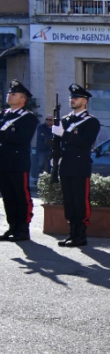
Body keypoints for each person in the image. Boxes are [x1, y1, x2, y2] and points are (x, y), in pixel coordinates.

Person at [51, 83, 101, 247]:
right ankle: (72, 232)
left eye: (76, 98)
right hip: (65, 165)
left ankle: (80, 234)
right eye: (71, 97)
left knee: (80, 201)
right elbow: (59, 143)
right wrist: (55, 155)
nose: (72, 100)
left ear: (85, 101)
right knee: (69, 201)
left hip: (80, 166)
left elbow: (86, 142)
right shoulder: (65, 119)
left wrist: (64, 134)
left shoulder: (91, 121)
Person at [0, 80, 37, 242]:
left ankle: (23, 228)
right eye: (9, 93)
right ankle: (12, 226)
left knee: (21, 195)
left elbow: (22, 139)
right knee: (7, 196)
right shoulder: (4, 114)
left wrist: (3, 134)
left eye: (13, 94)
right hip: (3, 161)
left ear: (23, 99)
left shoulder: (28, 118)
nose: (9, 95)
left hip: (18, 162)